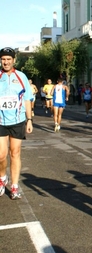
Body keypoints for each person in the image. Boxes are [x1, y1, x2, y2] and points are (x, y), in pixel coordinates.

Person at [0, 47, 33, 199]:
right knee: (1, 155)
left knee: (15, 153)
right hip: (1, 121)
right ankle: (2, 179)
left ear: (14, 60)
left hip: (18, 120)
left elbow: (27, 99)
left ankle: (14, 186)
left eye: (8, 59)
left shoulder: (21, 77)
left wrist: (29, 120)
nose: (5, 62)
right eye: (3, 59)